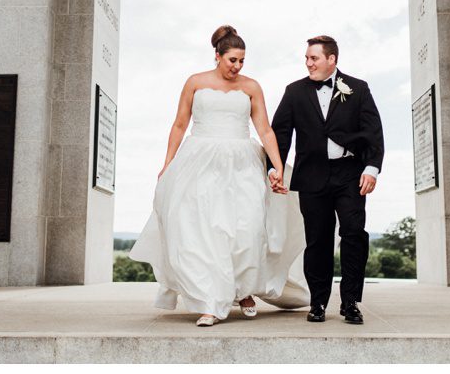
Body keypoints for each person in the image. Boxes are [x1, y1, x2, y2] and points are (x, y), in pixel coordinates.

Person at [130, 25, 309, 326]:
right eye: (232, 60)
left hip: (242, 162)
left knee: (247, 229)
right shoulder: (195, 83)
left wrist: (277, 167)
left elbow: (264, 129)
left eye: (242, 61)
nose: (237, 67)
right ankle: (210, 303)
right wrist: (167, 164)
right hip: (199, 161)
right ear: (217, 56)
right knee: (202, 231)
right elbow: (179, 125)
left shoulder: (251, 87)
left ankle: (244, 289)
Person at [269, 34, 385, 325]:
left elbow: (373, 131)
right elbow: (280, 134)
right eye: (307, 58)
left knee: (354, 233)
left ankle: (350, 302)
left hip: (350, 175)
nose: (308, 63)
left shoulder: (358, 89)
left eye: (314, 58)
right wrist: (275, 169)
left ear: (332, 59)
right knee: (318, 240)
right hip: (312, 177)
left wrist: (371, 168)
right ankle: (318, 302)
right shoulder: (294, 92)